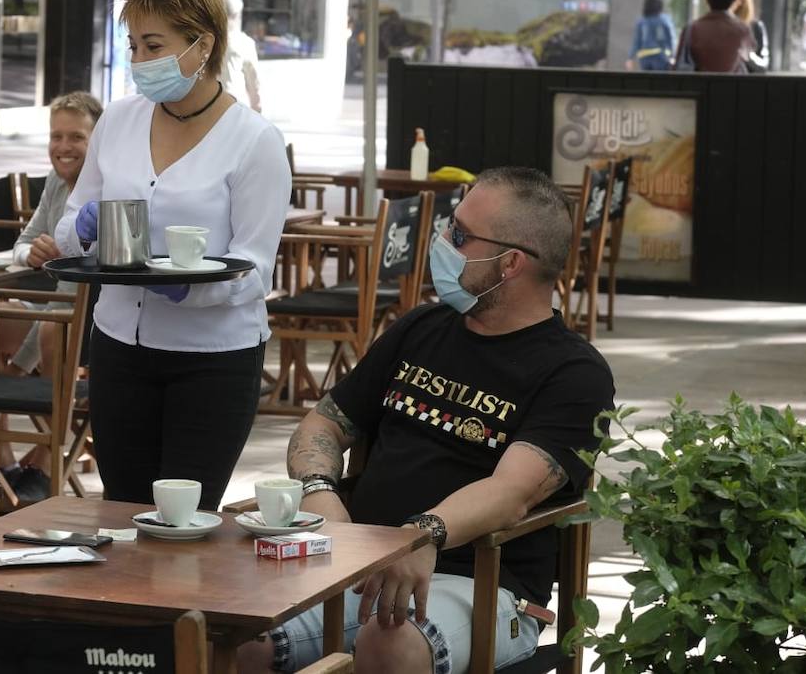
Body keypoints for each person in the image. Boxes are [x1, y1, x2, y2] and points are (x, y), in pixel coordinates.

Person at [238, 167, 615, 674]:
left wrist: (420, 536)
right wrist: (317, 489)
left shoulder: (575, 372)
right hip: (361, 565)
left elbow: (511, 493)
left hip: (483, 583)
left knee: (390, 642)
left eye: (458, 234)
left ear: (510, 263)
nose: (440, 240)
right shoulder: (420, 327)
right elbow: (322, 425)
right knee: (237, 632)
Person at [55, 0, 291, 510]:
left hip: (212, 357)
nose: (138, 60)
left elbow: (255, 269)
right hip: (119, 345)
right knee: (123, 508)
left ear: (201, 45)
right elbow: (68, 232)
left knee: (184, 521)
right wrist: (85, 227)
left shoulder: (254, 141)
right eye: (133, 45)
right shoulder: (116, 121)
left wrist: (189, 283)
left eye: (152, 45)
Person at [0, 91, 102, 503]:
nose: (63, 147)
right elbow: (23, 243)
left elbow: (88, 284)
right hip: (54, 313)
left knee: (57, 333)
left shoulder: (108, 189)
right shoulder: (57, 183)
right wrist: (33, 254)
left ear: (99, 141)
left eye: (76, 137)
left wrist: (16, 370)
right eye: (56, 136)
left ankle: (44, 460)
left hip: (95, 326)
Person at [674, 0, 752, 74]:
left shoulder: (692, 29)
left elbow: (679, 64)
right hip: (734, 87)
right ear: (733, 1)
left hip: (699, 87)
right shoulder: (742, 30)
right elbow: (746, 57)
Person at [223, 0, 263, 113]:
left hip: (207, 107)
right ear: (236, 15)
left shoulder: (204, 39)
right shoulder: (244, 43)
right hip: (234, 104)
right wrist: (257, 108)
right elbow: (253, 80)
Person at [627, 0, 675, 71]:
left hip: (644, 58)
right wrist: (673, 56)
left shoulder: (641, 21)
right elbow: (671, 39)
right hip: (661, 57)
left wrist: (630, 58)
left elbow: (636, 42)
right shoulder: (664, 20)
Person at [730, 0, 769, 73]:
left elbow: (764, 63)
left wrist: (746, 55)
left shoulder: (756, 26)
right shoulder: (724, 25)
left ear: (742, 0)